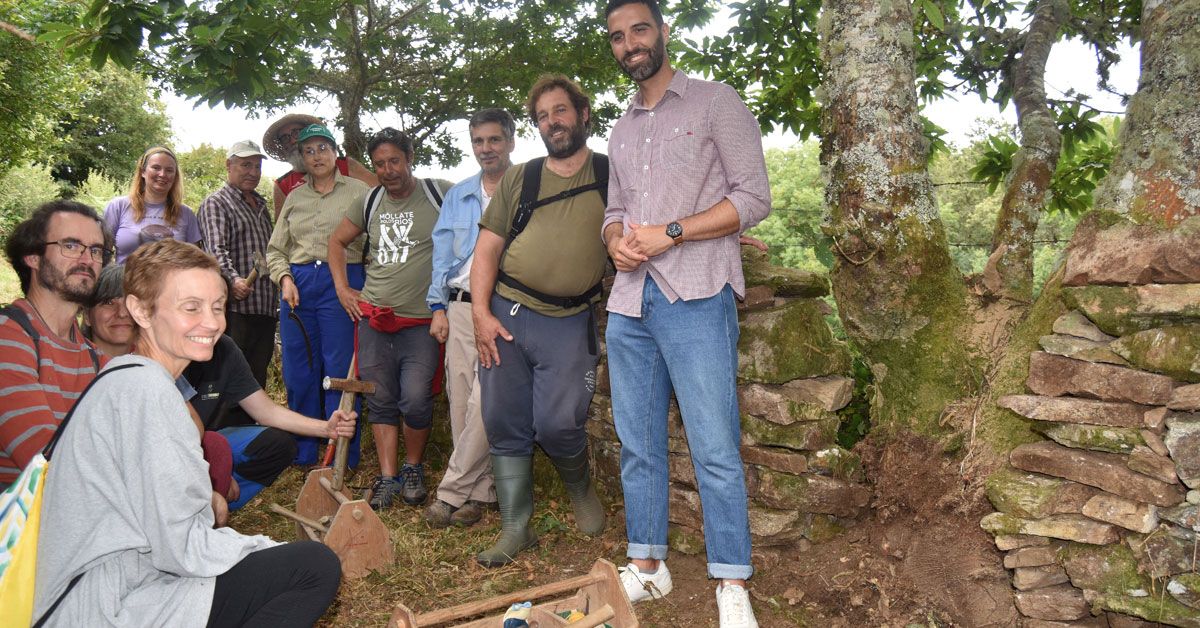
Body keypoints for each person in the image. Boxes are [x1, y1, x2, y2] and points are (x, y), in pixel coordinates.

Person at [32, 239, 341, 627]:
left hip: (105, 582)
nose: (211, 322)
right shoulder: (148, 392)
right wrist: (259, 545)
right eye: (190, 307)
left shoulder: (127, 375)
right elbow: (181, 548)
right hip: (105, 603)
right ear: (141, 310)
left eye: (217, 307)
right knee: (313, 566)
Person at [602, 2, 772, 626]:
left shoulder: (714, 101)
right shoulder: (620, 129)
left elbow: (754, 197)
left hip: (698, 293)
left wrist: (673, 231)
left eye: (639, 30)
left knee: (715, 445)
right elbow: (613, 209)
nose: (630, 44)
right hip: (630, 302)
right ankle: (649, 567)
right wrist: (615, 239)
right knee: (637, 444)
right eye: (618, 37)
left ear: (663, 33)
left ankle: (732, 581)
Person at [470, 76, 608, 567]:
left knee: (557, 422)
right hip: (506, 313)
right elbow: (487, 249)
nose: (553, 121)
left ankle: (580, 489)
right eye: (543, 116)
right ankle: (516, 527)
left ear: (583, 113)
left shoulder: (613, 174)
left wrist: (717, 237)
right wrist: (480, 314)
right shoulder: (521, 177)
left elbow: (656, 218)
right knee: (502, 420)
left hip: (568, 321)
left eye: (560, 110)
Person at [328, 128, 451, 509]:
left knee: (416, 398)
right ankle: (387, 476)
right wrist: (344, 290)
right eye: (380, 164)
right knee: (379, 398)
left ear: (410, 156)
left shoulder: (440, 193)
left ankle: (413, 467)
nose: (388, 170)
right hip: (374, 317)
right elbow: (336, 242)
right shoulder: (369, 202)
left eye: (394, 160)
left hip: (421, 320)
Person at [423, 109, 516, 527]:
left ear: (510, 141)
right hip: (460, 305)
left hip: (504, 304)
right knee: (461, 399)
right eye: (479, 141)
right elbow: (441, 256)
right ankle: (481, 495)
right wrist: (437, 307)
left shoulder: (525, 188)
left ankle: (451, 491)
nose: (486, 149)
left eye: (494, 140)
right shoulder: (458, 194)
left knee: (487, 400)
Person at [267, 123, 369, 466]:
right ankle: (304, 450)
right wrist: (284, 279)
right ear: (302, 158)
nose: (316, 156)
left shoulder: (358, 191)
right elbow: (275, 249)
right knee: (299, 369)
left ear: (335, 152)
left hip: (342, 279)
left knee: (339, 368)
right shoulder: (295, 196)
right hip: (297, 285)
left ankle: (340, 454)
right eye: (308, 151)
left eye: (322, 149)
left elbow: (378, 234)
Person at [0, 201, 109, 489]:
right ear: (33, 257)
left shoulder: (95, 357)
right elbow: (47, 463)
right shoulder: (8, 337)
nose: (87, 259)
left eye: (96, 250)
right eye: (71, 246)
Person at [184, 333, 356, 510]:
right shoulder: (164, 356)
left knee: (279, 445)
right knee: (214, 447)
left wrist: (326, 429)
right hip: (172, 452)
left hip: (207, 441)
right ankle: (201, 500)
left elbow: (267, 411)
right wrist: (213, 472)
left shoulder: (225, 349)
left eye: (218, 309)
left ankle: (217, 504)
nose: (212, 321)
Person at [197, 139, 279, 388]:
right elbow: (215, 250)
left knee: (256, 380)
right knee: (229, 379)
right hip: (234, 310)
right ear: (229, 165)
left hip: (264, 308)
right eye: (246, 165)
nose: (253, 172)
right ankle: (222, 428)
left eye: (257, 166)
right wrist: (232, 280)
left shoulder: (261, 206)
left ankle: (252, 427)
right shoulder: (217, 202)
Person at [263, 113, 378, 218]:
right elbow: (282, 230)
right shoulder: (283, 184)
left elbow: (381, 192)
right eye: (284, 138)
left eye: (296, 133)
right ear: (282, 146)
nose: (292, 141)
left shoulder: (345, 165)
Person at [104, 146, 202, 263]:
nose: (162, 174)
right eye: (156, 168)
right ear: (143, 172)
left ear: (175, 177)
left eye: (169, 170)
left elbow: (194, 261)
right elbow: (102, 253)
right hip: (124, 280)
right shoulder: (117, 207)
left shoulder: (187, 214)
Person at [80, 263, 132, 357]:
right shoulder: (69, 367)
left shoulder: (159, 366)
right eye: (109, 303)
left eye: (129, 302)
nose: (122, 313)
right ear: (87, 315)